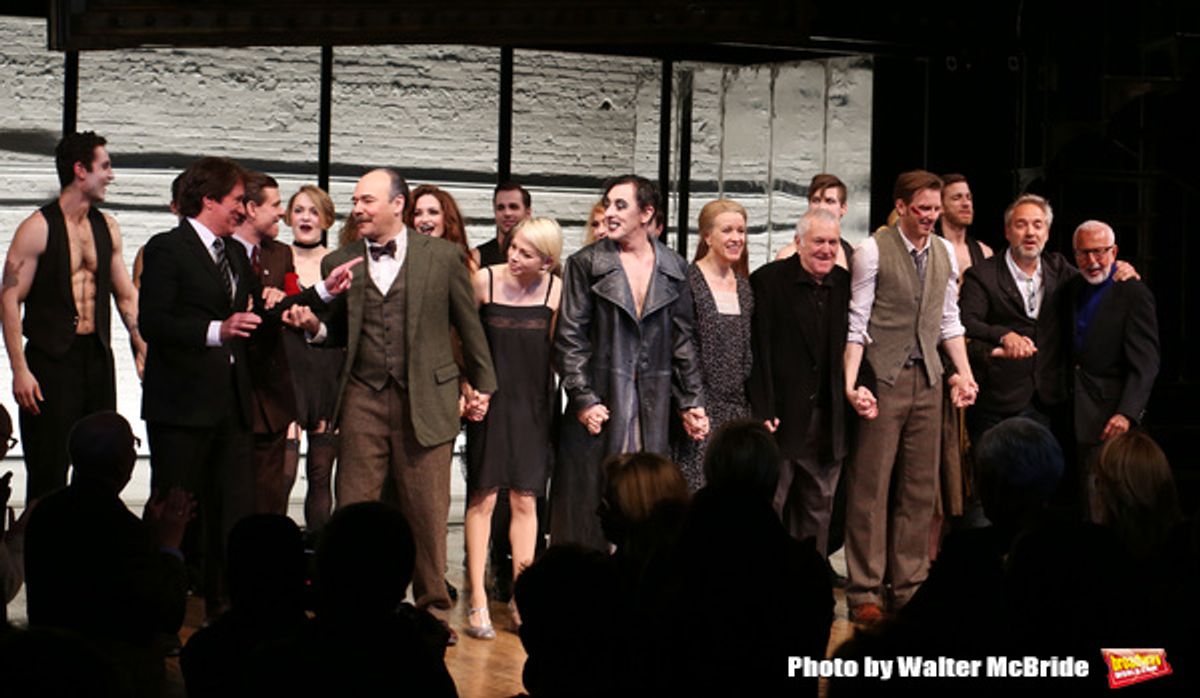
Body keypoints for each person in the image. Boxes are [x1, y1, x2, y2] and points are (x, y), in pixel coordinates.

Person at [283, 167, 497, 638]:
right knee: (355, 505)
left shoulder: (442, 257)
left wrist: (482, 384)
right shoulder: (340, 259)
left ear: (396, 205)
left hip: (428, 396)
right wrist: (314, 328)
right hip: (363, 395)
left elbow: (468, 323)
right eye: (355, 201)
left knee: (426, 508)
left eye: (366, 200)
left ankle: (433, 609)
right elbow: (338, 330)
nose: (357, 208)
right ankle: (350, 604)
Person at [139, 156, 356, 615]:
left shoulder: (234, 254)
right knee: (174, 512)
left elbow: (261, 315)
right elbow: (154, 322)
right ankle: (158, 615)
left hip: (230, 406)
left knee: (232, 514)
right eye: (237, 200)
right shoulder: (166, 248)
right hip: (181, 409)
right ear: (209, 200)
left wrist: (324, 293)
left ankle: (226, 608)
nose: (243, 208)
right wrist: (217, 329)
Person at [842, 170, 978, 624]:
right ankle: (864, 588)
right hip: (885, 376)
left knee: (920, 489)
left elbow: (948, 321)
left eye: (936, 210)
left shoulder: (942, 252)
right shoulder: (872, 249)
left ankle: (910, 584)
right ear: (900, 206)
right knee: (872, 485)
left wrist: (964, 373)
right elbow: (858, 321)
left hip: (930, 380)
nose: (931, 218)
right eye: (922, 209)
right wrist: (851, 380)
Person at [552, 174, 707, 550]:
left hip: (652, 401)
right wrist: (583, 398)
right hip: (605, 398)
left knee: (647, 497)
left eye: (621, 205)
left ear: (646, 212)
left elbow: (684, 340)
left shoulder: (675, 267)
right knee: (594, 499)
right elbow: (569, 336)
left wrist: (692, 401)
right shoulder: (586, 263)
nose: (610, 213)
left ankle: (643, 586)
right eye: (608, 204)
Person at [1, 131, 145, 504]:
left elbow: (124, 293)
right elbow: (9, 297)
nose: (111, 175)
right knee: (48, 467)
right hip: (50, 360)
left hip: (94, 358)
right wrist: (19, 369)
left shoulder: (106, 227)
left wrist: (140, 343)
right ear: (80, 170)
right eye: (105, 166)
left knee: (102, 461)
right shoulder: (37, 227)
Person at [23, 412, 192, 698]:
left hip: (48, 662)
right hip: (112, 675)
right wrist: (169, 545)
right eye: (133, 446)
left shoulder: (45, 513)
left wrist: (147, 534)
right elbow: (167, 612)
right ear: (124, 464)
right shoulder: (122, 528)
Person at [462, 217, 563, 640]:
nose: (514, 257)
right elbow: (462, 341)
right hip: (491, 402)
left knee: (526, 501)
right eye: (514, 247)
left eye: (526, 253)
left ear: (547, 261)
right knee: (483, 497)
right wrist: (468, 389)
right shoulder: (483, 280)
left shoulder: (556, 290)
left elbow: (559, 351)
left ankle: (522, 599)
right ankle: (478, 599)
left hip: (534, 406)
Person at [957, 194, 1075, 524]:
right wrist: (1002, 334)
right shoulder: (984, 274)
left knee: (1040, 489)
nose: (1030, 233)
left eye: (1038, 225)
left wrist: (1119, 271)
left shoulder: (1059, 269)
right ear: (1008, 231)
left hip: (1045, 400)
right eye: (1021, 225)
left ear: (1048, 232)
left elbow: (1093, 284)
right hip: (997, 401)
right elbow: (967, 322)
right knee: (990, 489)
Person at [749, 209, 850, 557]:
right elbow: (757, 352)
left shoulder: (845, 284)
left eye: (833, 242)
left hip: (827, 419)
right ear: (798, 243)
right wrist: (762, 409)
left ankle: (808, 586)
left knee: (819, 508)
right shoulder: (767, 281)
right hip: (780, 417)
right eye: (818, 241)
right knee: (771, 505)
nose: (826, 249)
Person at [1065, 220, 1159, 476]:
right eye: (1084, 253)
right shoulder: (1072, 286)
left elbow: (1147, 363)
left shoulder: (1133, 293)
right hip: (1073, 414)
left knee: (1111, 498)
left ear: (1114, 252)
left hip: (1113, 418)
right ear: (1075, 254)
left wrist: (1127, 413)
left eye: (1100, 251)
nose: (1093, 260)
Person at [672, 199, 753, 490]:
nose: (736, 238)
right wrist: (691, 405)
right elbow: (681, 347)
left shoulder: (743, 286)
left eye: (741, 230)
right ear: (707, 236)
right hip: (700, 411)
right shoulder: (688, 280)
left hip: (737, 412)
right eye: (728, 230)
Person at [231, 172, 299, 515]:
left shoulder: (281, 254)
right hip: (232, 393)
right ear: (252, 208)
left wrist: (285, 299)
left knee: (270, 499)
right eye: (275, 205)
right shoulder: (223, 253)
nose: (281, 213)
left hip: (272, 396)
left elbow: (296, 299)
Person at [282, 184, 342, 532]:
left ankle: (319, 555)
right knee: (284, 471)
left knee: (321, 474)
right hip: (287, 371)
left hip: (324, 368)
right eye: (299, 210)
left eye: (314, 211)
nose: (306, 217)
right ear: (289, 216)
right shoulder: (275, 256)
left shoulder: (336, 262)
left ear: (327, 218)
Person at [774, 173, 853, 268]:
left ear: (843, 208)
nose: (822, 207)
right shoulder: (788, 255)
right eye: (816, 200)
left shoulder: (850, 253)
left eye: (829, 201)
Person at [406, 183, 474, 271]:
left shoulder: (464, 263)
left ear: (447, 219)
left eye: (433, 212)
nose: (424, 219)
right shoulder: (402, 261)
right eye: (417, 214)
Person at [938, 173, 993, 278]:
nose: (966, 203)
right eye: (957, 198)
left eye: (969, 198)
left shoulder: (985, 252)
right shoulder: (927, 248)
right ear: (941, 207)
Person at [473, 180, 531, 267]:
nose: (507, 213)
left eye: (513, 207)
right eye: (500, 208)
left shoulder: (541, 255)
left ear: (528, 213)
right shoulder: (477, 257)